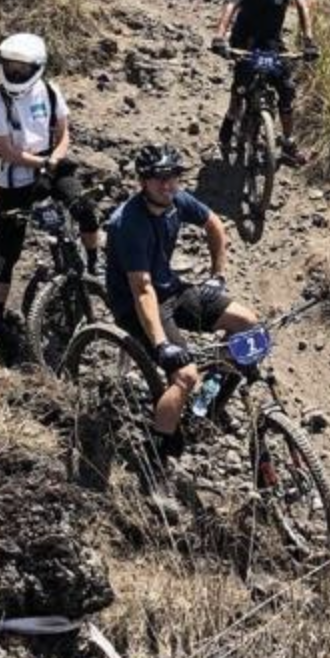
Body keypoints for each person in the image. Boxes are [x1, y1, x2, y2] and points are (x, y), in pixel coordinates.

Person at [103, 143, 259, 462]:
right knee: (184, 375)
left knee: (249, 326)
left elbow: (214, 224)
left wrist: (218, 275)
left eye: (173, 176)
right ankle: (160, 449)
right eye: (159, 178)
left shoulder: (176, 201)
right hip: (136, 305)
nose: (167, 184)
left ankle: (208, 403)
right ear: (142, 181)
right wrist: (162, 345)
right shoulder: (129, 223)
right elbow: (142, 289)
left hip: (170, 289)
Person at [0, 32, 99, 346]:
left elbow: (63, 134)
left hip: (51, 165)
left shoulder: (49, 91)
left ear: (37, 67)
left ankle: (92, 264)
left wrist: (53, 162)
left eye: (21, 68)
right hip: (16, 179)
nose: (14, 73)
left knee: (85, 210)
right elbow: (6, 151)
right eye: (9, 66)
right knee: (8, 250)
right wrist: (42, 165)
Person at [212, 0, 318, 162]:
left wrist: (309, 40)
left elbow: (302, 6)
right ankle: (226, 132)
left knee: (286, 89)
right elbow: (231, 5)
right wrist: (220, 37)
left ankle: (288, 145)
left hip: (271, 41)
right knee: (240, 88)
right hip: (244, 40)